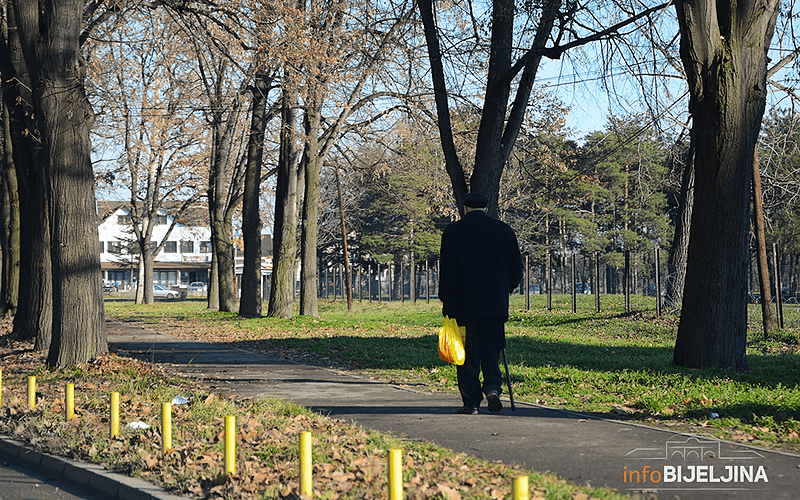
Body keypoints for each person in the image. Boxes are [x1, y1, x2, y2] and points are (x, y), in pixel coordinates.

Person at [439, 192, 523, 414]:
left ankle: (471, 402)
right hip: (495, 305)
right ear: (486, 208)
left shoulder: (454, 231)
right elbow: (517, 270)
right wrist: (505, 289)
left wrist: (447, 303)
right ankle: (493, 389)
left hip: (464, 305)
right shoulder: (504, 231)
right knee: (492, 350)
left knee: (467, 355)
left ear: (465, 208)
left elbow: (448, 271)